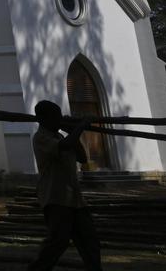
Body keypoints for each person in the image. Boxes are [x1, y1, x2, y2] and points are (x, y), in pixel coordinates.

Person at [28, 100, 103, 271]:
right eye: (56, 117)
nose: (59, 119)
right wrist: (80, 126)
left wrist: (72, 131)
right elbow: (64, 146)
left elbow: (82, 158)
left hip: (75, 198)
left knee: (89, 241)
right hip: (56, 198)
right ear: (43, 119)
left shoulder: (61, 136)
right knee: (58, 242)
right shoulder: (41, 138)